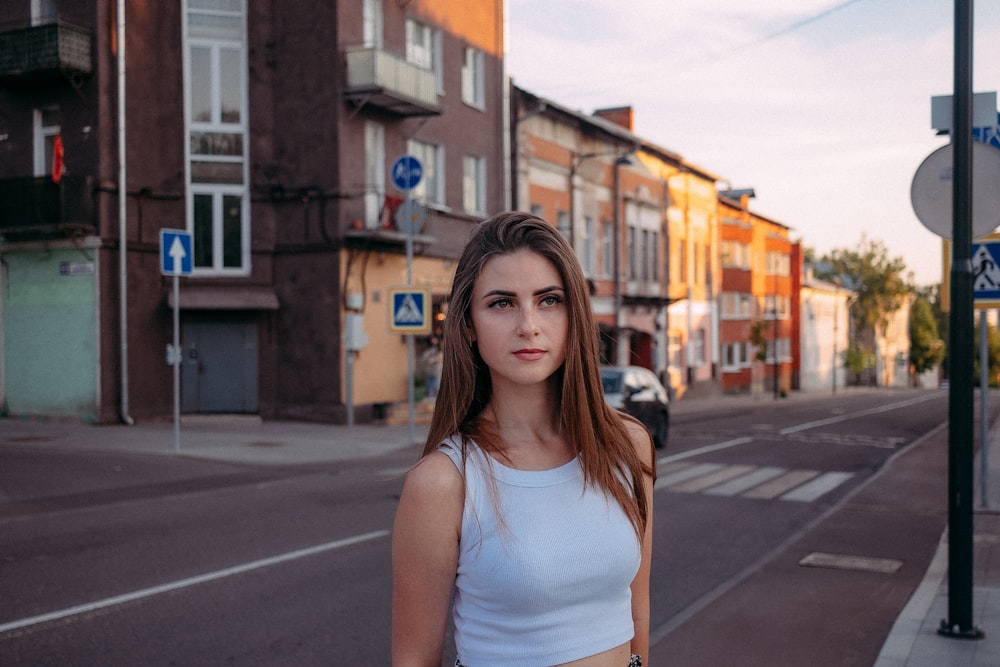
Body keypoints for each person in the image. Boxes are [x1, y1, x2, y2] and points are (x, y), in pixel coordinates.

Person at [392, 212, 656, 667]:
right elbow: (414, 658)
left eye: (549, 300)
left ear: (574, 312)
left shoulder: (626, 446)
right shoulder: (443, 483)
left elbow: (637, 609)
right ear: (469, 325)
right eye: (501, 303)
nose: (528, 325)